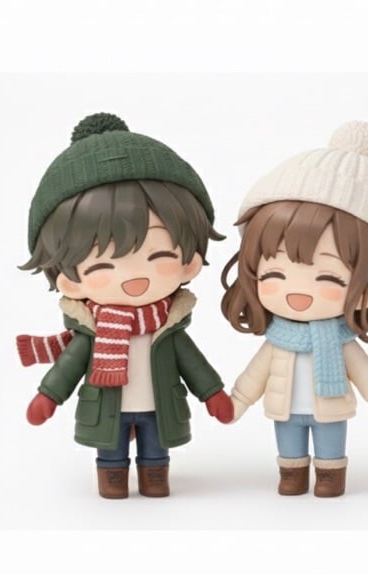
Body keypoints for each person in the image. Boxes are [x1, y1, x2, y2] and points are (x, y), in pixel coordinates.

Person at [18, 113, 233, 499]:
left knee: (156, 449)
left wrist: (211, 392)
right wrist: (48, 395)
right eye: (104, 266)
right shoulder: (91, 332)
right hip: (106, 408)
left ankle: (155, 475)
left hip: (159, 407)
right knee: (111, 447)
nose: (135, 277)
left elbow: (192, 363)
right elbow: (69, 367)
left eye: (158, 255)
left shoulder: (167, 325)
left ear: (189, 261)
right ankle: (112, 476)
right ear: (68, 279)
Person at [221, 121, 368, 497]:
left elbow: (365, 373)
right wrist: (238, 400)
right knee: (289, 447)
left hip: (331, 410)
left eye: (327, 277)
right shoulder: (279, 338)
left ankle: (330, 475)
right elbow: (254, 376)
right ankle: (291, 474)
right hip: (285, 411)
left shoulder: (342, 341)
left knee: (330, 445)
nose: (297, 292)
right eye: (275, 273)